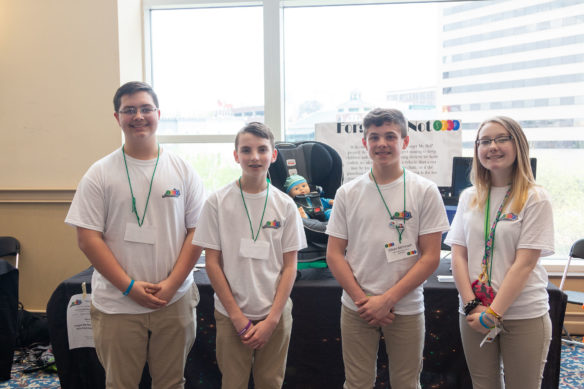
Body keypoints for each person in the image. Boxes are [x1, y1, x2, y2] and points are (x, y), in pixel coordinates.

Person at [65, 81, 206, 389]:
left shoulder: (184, 171)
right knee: (120, 384)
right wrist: (128, 286)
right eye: (129, 110)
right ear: (117, 118)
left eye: (145, 109)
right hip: (117, 304)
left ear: (159, 114)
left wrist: (171, 285)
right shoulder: (100, 173)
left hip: (175, 300)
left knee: (172, 383)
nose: (138, 116)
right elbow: (88, 238)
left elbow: (197, 232)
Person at [326, 108, 449, 389]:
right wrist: (363, 301)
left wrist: (387, 299)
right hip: (357, 307)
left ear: (404, 142)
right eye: (374, 137)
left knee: (406, 383)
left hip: (405, 306)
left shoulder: (425, 191)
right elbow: (334, 254)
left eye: (390, 136)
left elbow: (430, 256)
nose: (382, 143)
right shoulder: (348, 193)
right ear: (364, 143)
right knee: (357, 383)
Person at [192, 122, 307, 389]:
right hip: (231, 314)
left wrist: (273, 319)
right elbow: (212, 263)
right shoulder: (217, 202)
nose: (254, 157)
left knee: (271, 382)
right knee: (233, 382)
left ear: (273, 155)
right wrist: (237, 317)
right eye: (246, 150)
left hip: (274, 314)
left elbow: (290, 267)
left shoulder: (286, 205)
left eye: (262, 149)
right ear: (236, 156)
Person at [444, 116, 554, 389]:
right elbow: (458, 256)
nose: (492, 146)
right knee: (484, 385)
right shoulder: (469, 196)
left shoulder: (535, 197)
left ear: (518, 145)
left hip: (523, 313)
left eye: (501, 139)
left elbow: (524, 264)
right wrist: (471, 305)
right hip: (473, 311)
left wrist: (493, 313)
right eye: (485, 141)